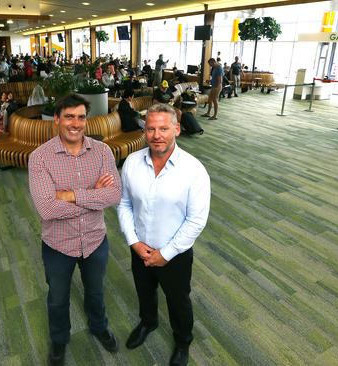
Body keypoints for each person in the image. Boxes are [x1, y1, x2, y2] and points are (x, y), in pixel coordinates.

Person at [28, 94, 121, 366]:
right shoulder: (40, 158)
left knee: (95, 291)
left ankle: (98, 326)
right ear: (56, 119)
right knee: (58, 298)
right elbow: (47, 209)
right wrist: (92, 195)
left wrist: (69, 196)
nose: (75, 123)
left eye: (81, 117)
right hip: (58, 245)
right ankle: (59, 340)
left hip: (95, 240)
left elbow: (114, 194)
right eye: (69, 116)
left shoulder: (102, 152)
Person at [117, 103, 210, 366]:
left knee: (178, 301)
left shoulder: (194, 170)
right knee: (144, 292)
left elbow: (196, 221)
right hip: (140, 249)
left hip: (175, 254)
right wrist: (134, 242)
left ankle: (183, 341)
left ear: (177, 130)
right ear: (144, 131)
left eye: (164, 129)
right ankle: (148, 323)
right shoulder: (133, 163)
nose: (157, 135)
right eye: (151, 128)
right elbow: (124, 204)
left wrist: (165, 254)